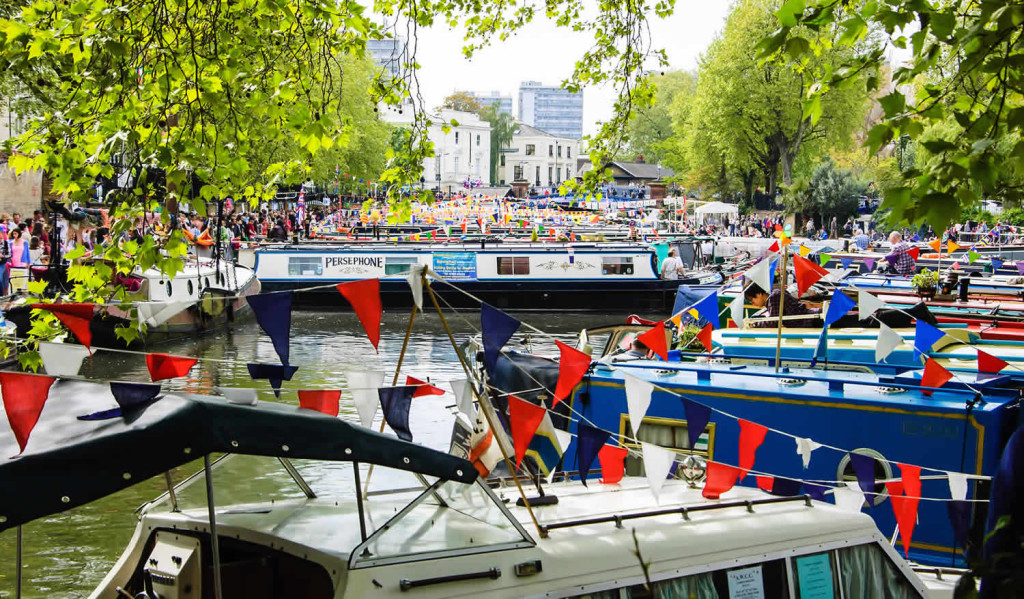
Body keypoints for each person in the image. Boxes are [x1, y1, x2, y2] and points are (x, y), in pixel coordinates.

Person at [745, 283, 822, 328]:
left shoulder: (773, 297)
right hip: (813, 319)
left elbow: (774, 322)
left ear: (759, 294)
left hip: (815, 319)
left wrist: (754, 324)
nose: (753, 304)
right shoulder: (773, 298)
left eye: (752, 300)